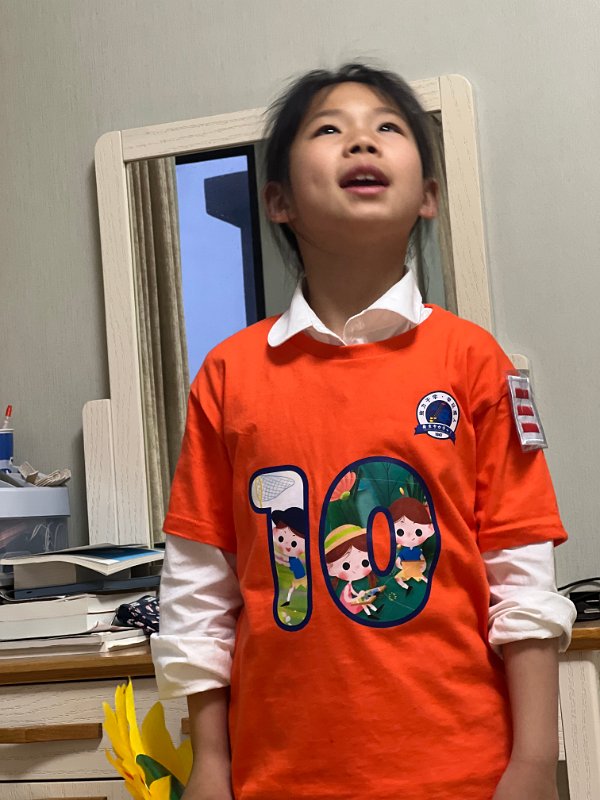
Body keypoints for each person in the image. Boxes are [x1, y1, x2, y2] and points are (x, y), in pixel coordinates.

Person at [151, 63, 576, 800]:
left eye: (388, 127)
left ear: (429, 196)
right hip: (276, 776)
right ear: (279, 201)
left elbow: (522, 578)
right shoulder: (227, 375)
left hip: (462, 774)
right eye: (328, 128)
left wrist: (535, 764)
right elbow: (198, 591)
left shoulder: (474, 362)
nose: (361, 140)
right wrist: (210, 765)